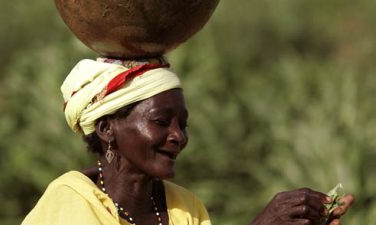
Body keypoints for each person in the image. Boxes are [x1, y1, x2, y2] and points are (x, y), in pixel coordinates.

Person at [22, 57, 354, 225]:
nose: (179, 136)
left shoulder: (185, 208)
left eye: (183, 124)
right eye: (161, 122)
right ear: (108, 129)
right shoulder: (71, 203)